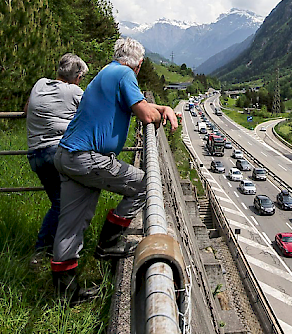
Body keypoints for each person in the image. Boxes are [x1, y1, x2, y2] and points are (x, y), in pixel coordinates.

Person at [50, 37, 179, 305]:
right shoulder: (124, 74)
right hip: (87, 157)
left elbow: (139, 107)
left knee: (71, 225)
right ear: (139, 64)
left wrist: (161, 108)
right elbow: (144, 114)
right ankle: (109, 243)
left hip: (67, 154)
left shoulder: (107, 72)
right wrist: (161, 111)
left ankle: (66, 295)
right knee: (145, 184)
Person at [25, 53, 89, 269]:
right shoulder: (74, 91)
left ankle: (51, 250)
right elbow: (94, 114)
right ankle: (46, 251)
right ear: (77, 77)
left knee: (59, 203)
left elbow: (27, 110)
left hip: (35, 155)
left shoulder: (40, 84)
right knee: (68, 203)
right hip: (57, 154)